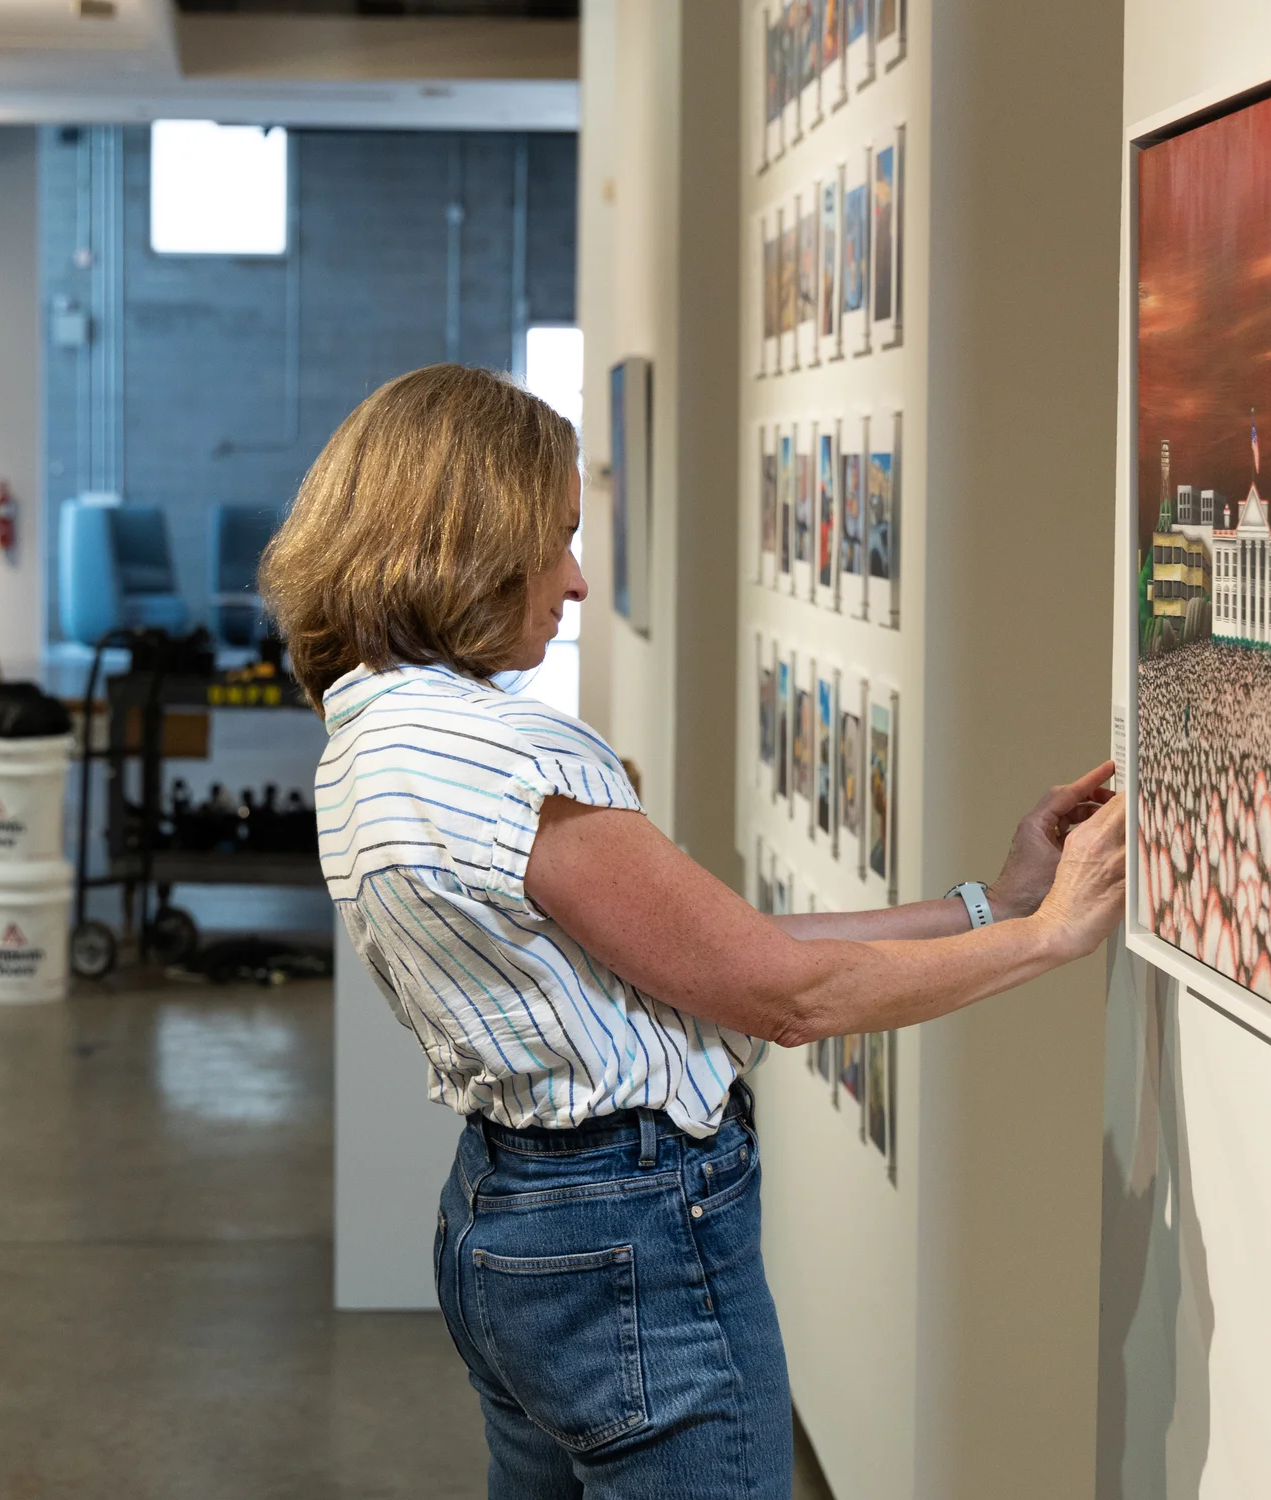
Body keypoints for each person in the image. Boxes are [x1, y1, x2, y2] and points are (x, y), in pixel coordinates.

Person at [259, 365, 1125, 1500]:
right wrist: (1049, 940)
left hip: (508, 1221)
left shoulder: (375, 733)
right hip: (631, 1230)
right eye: (555, 539)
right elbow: (787, 996)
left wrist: (990, 905)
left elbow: (709, 952)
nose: (574, 582)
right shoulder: (514, 757)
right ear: (464, 540)